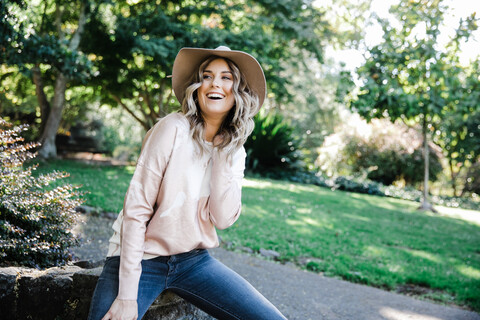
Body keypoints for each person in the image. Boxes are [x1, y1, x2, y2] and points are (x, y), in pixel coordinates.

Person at [87, 46, 288, 320]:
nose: (215, 83)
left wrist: (223, 152)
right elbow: (136, 212)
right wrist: (127, 296)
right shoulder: (172, 129)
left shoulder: (235, 151)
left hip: (193, 261)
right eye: (207, 76)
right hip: (141, 257)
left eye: (226, 77)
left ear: (238, 92)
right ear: (197, 87)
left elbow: (222, 218)